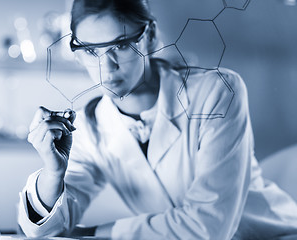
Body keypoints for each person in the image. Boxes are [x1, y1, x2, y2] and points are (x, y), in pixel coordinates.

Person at [18, 0, 297, 239]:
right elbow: (44, 229)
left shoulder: (216, 91)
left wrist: (93, 233)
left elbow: (209, 226)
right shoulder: (93, 125)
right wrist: (53, 173)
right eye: (91, 51)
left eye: (122, 45)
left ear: (149, 36)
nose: (106, 67)